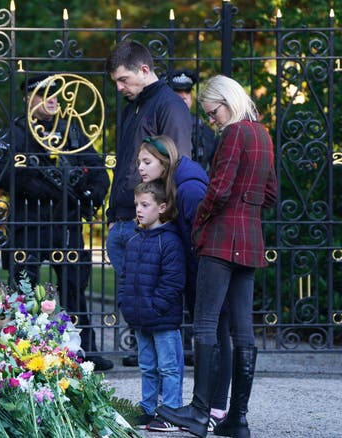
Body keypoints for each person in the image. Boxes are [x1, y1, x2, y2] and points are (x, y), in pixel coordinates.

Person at [156, 75, 278, 438]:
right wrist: (247, 204)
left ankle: (198, 412)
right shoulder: (262, 134)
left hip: (222, 238)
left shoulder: (233, 133)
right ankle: (236, 420)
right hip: (250, 239)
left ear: (227, 101)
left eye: (213, 113)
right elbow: (270, 194)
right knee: (243, 331)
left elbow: (219, 188)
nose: (212, 121)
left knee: (206, 323)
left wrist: (200, 222)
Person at [0, 73, 113, 371]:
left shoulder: (71, 130)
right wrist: (34, 185)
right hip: (29, 223)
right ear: (29, 98)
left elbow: (97, 169)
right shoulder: (17, 132)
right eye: (45, 93)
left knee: (73, 287)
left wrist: (90, 196)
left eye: (56, 92)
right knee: (25, 288)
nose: (53, 98)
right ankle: (25, 350)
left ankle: (85, 350)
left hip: (66, 223)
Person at [105, 40, 193, 367]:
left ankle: (166, 392)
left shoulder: (169, 106)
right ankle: (148, 393)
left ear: (144, 70)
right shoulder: (134, 104)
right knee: (140, 305)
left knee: (159, 309)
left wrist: (156, 220)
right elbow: (128, 163)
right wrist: (115, 216)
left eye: (123, 79)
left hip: (150, 224)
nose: (118, 87)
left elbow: (175, 166)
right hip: (126, 221)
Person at [137, 135, 232, 431]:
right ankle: (210, 408)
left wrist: (201, 276)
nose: (140, 167)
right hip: (198, 271)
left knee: (217, 335)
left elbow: (204, 235)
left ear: (164, 162)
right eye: (139, 161)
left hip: (209, 270)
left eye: (147, 162)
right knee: (213, 334)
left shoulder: (188, 188)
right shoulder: (173, 183)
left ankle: (217, 408)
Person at [115, 180, 185, 432]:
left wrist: (155, 307)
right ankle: (147, 408)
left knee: (168, 367)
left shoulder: (169, 241)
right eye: (137, 205)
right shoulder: (134, 240)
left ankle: (172, 411)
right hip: (140, 318)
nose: (139, 210)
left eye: (145, 204)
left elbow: (173, 281)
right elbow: (125, 277)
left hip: (162, 319)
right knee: (147, 366)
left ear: (162, 207)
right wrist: (126, 303)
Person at [168, 70, 219, 171]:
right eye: (178, 91)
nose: (184, 96)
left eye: (187, 91)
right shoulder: (162, 124)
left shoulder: (206, 131)